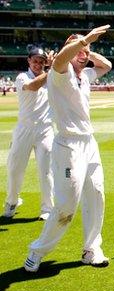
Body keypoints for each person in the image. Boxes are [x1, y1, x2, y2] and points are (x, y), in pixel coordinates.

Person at [24, 25, 113, 273]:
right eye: (79, 50)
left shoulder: (85, 76)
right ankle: (37, 250)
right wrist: (82, 41)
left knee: (97, 195)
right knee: (66, 205)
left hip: (89, 143)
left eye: (88, 51)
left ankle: (91, 249)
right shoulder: (59, 73)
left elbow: (106, 66)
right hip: (67, 144)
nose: (85, 53)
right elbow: (61, 59)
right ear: (67, 49)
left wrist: (86, 49)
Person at [3, 47, 55, 220]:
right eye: (35, 61)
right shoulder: (22, 77)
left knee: (46, 170)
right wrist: (50, 69)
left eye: (41, 61)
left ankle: (47, 209)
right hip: (24, 129)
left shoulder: (51, 76)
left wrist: (56, 66)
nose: (38, 64)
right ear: (29, 61)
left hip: (45, 130)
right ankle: (12, 201)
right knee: (14, 169)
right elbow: (33, 86)